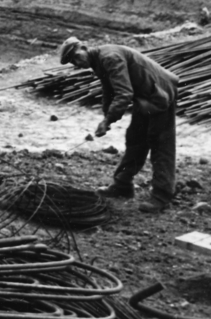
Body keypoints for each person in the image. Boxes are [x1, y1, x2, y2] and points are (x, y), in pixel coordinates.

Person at [58, 35, 180, 212]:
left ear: (84, 47)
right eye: (73, 62)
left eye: (77, 57)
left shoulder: (110, 57)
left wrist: (108, 120)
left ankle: (162, 196)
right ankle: (122, 185)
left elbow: (124, 93)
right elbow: (109, 90)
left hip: (160, 94)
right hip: (144, 98)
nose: (77, 63)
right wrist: (106, 119)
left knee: (160, 144)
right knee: (135, 138)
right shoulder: (98, 61)